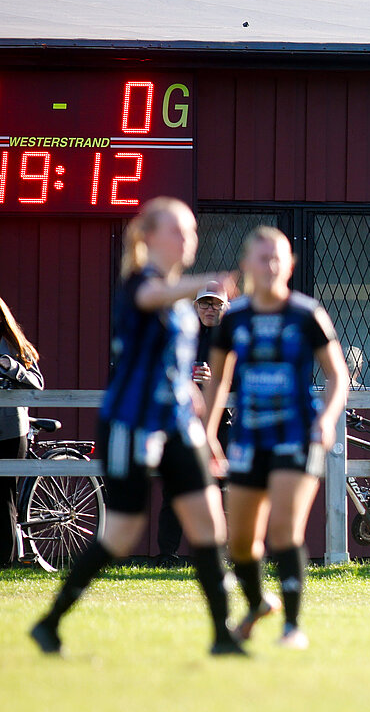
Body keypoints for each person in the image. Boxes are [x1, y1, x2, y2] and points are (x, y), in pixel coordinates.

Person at [29, 198, 244, 657]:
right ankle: (50, 622)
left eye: (191, 230)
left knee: (209, 522)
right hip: (131, 423)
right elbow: (152, 298)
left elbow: (183, 383)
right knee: (123, 533)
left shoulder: (185, 310)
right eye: (177, 230)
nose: (189, 239)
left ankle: (224, 635)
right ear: (148, 237)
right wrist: (201, 286)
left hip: (177, 426)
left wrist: (206, 436)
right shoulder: (140, 286)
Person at [203, 227, 349, 649]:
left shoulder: (306, 315)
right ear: (246, 265)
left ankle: (293, 627)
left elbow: (337, 375)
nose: (269, 267)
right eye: (261, 258)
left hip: (296, 434)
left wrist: (326, 418)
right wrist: (210, 432)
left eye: (277, 259)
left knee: (284, 530)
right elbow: (219, 379)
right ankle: (258, 604)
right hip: (248, 437)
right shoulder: (235, 319)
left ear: (289, 265)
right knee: (241, 541)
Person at [156, 279, 231, 565]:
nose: (210, 309)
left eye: (216, 304)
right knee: (176, 486)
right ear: (195, 305)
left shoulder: (232, 337)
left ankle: (218, 555)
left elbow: (246, 378)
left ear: (226, 307)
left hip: (224, 422)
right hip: (182, 421)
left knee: (220, 487)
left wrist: (219, 381)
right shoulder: (183, 333)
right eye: (204, 303)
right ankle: (167, 555)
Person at [0, 295, 46, 567]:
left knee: (4, 493)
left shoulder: (13, 345)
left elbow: (37, 382)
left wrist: (12, 368)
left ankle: (5, 560)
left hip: (9, 429)